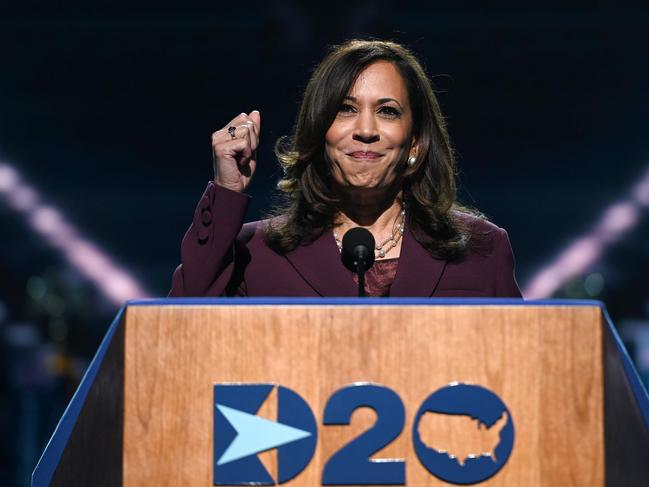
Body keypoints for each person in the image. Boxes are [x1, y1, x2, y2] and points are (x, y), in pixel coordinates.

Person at [169, 39, 521, 298]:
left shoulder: (482, 250)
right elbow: (174, 336)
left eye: (387, 111)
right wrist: (226, 192)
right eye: (345, 109)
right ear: (320, 134)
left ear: (415, 143)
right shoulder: (256, 253)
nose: (365, 131)